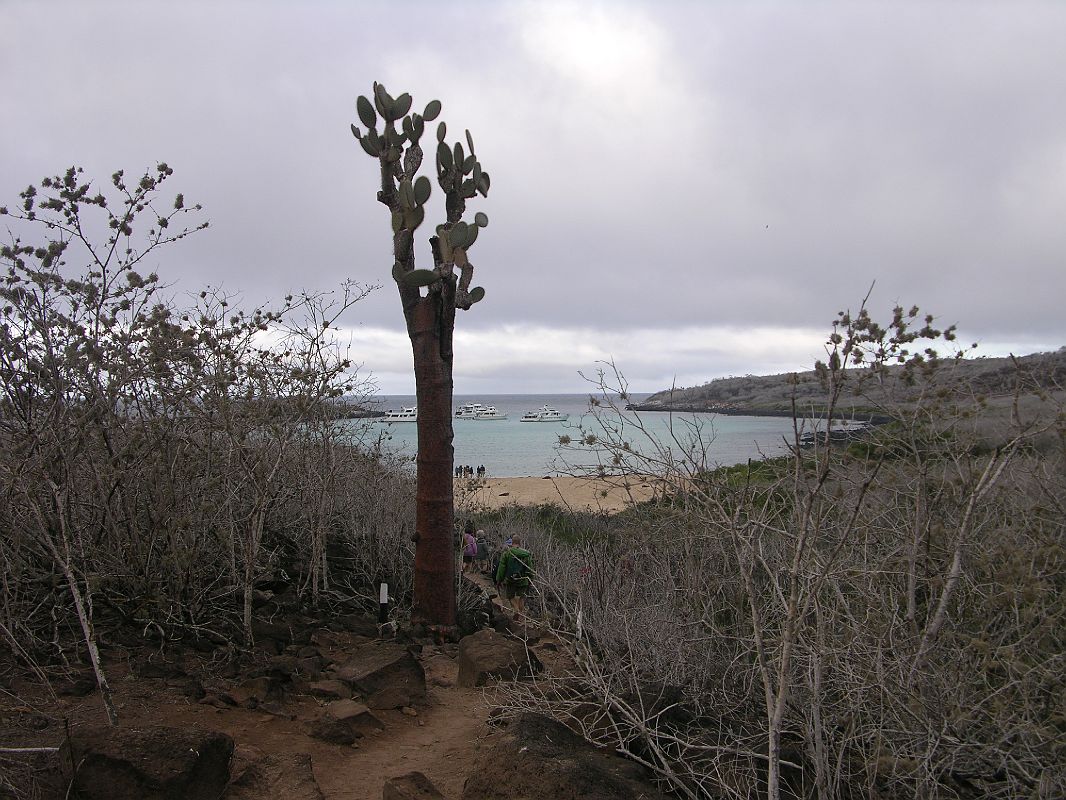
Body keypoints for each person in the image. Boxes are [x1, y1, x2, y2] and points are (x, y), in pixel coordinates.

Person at [495, 535, 534, 620]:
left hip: (510, 580)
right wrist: (531, 578)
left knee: (510, 597)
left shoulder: (506, 554)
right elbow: (530, 568)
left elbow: (502, 568)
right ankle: (522, 616)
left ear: (512, 542)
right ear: (520, 543)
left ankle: (516, 610)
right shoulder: (526, 554)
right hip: (523, 580)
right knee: (521, 597)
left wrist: (499, 580)